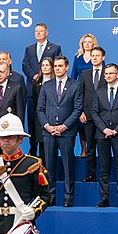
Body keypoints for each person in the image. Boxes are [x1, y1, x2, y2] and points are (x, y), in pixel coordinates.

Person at [37, 56, 83, 207]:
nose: (57, 68)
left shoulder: (75, 85)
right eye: (55, 66)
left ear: (67, 67)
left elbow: (77, 109)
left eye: (60, 66)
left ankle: (68, 197)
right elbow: (40, 109)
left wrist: (64, 126)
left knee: (68, 166)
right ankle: (50, 197)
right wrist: (47, 126)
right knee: (49, 166)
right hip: (48, 132)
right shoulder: (46, 85)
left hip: (67, 132)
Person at [91, 63, 118, 208]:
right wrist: (104, 129)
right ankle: (104, 199)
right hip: (102, 135)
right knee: (103, 168)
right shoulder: (99, 91)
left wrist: (116, 130)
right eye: (106, 74)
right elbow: (94, 113)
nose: (108, 76)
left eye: (111, 73)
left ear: (117, 74)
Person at [22, 23, 63, 155]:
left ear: (47, 33)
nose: (38, 33)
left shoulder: (55, 48)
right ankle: (32, 149)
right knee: (33, 121)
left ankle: (47, 150)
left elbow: (57, 64)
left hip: (50, 88)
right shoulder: (29, 49)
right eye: (36, 31)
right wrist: (35, 76)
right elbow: (25, 64)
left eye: (40, 31)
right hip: (33, 89)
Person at [79, 46, 107, 182]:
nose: (94, 58)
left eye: (97, 55)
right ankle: (91, 174)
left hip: (104, 117)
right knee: (90, 147)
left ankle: (103, 175)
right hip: (88, 116)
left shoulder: (108, 73)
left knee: (103, 148)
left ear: (103, 58)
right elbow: (80, 94)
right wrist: (81, 112)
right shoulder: (84, 74)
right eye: (93, 55)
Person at [30, 57, 55, 163]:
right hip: (41, 118)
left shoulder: (56, 81)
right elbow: (35, 101)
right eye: (43, 65)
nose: (45, 67)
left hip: (54, 117)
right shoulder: (36, 82)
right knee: (42, 146)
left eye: (47, 65)